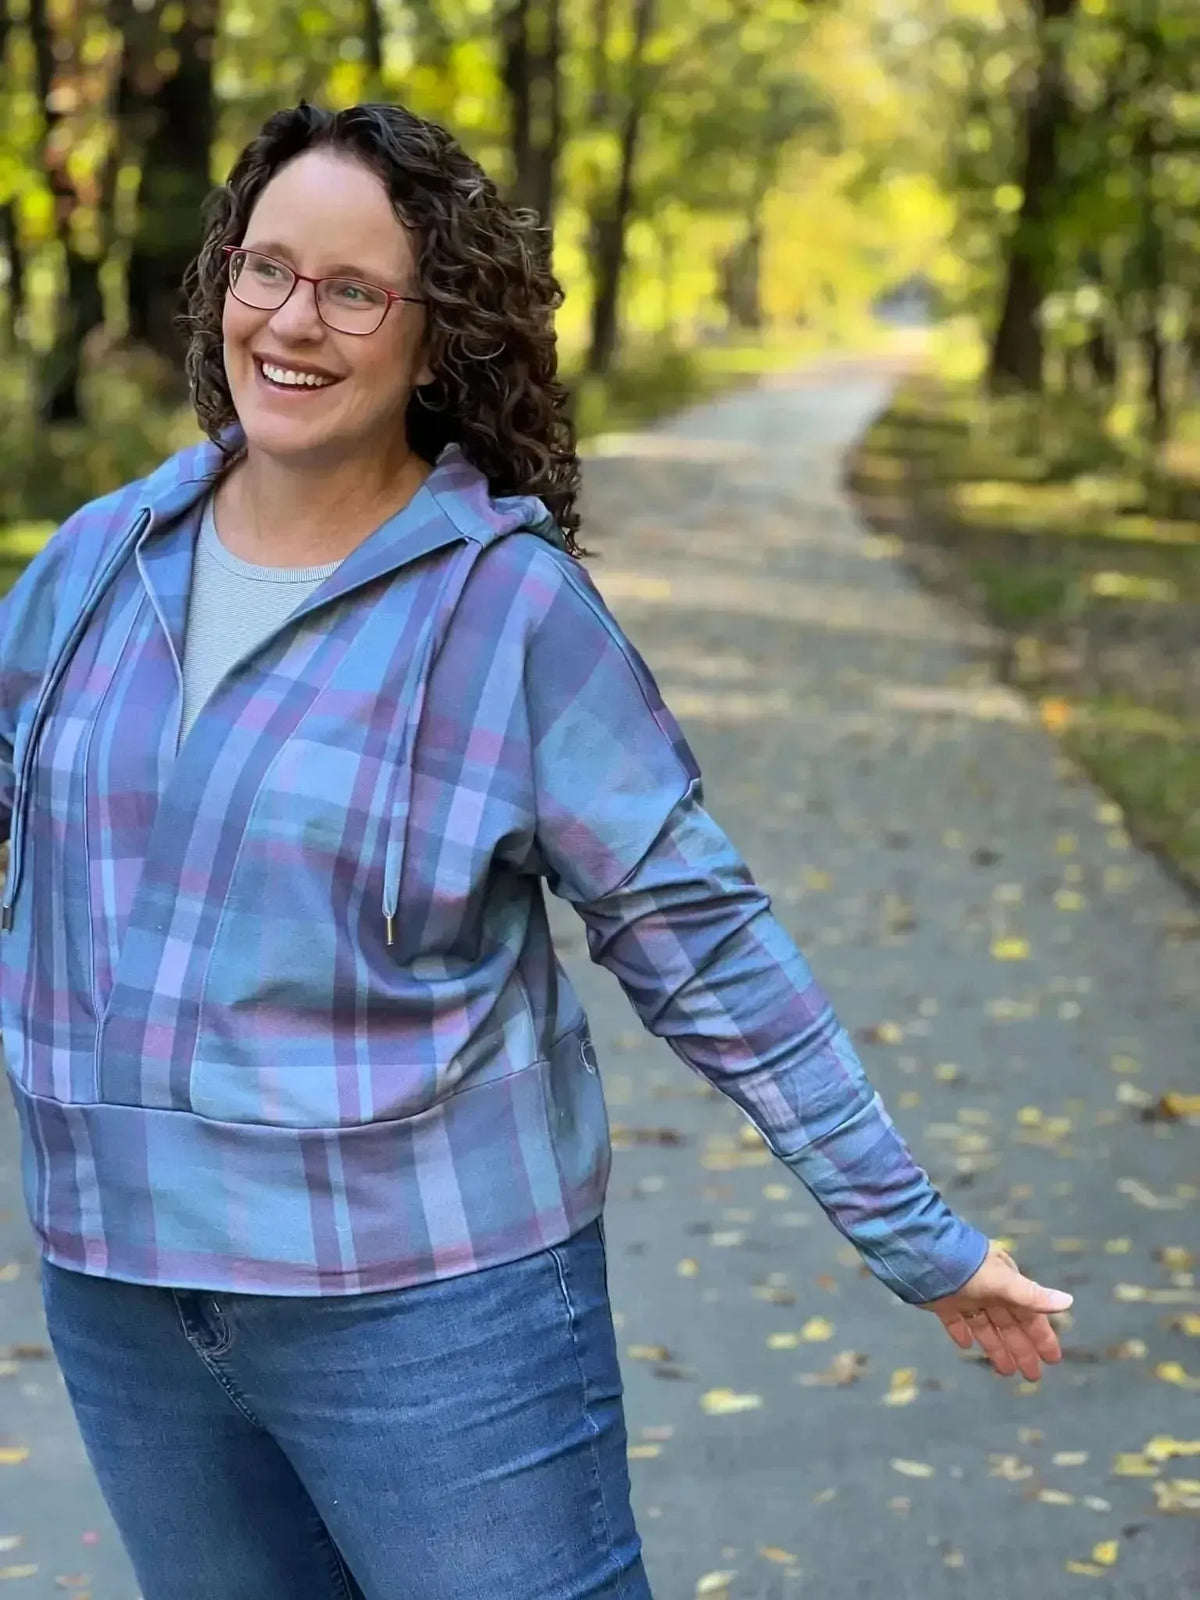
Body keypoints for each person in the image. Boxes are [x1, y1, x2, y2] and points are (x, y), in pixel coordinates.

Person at [0, 102, 1073, 1600]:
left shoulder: (507, 612)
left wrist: (921, 1239)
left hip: (431, 1318)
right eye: (265, 271)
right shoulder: (92, 567)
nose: (292, 321)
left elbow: (706, 948)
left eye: (354, 290)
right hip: (124, 1300)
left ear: (436, 337)